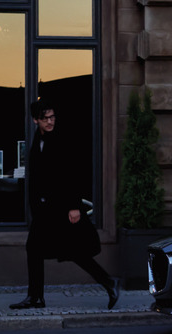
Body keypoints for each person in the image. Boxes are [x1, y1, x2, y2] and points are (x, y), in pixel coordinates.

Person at [10, 99, 119, 310]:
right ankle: (36, 297)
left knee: (72, 251)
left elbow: (74, 173)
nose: (51, 122)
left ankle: (108, 282)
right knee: (37, 249)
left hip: (62, 207)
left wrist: (74, 206)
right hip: (46, 210)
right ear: (35, 120)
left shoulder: (62, 138)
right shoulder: (38, 138)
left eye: (52, 117)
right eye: (45, 118)